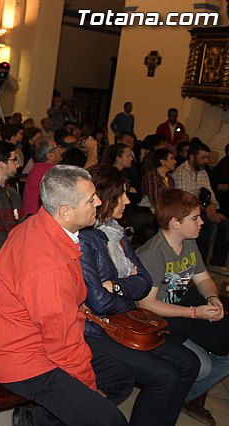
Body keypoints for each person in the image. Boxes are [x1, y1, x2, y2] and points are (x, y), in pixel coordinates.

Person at [0, 165, 132, 425]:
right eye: (90, 200)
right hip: (25, 361)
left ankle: (43, 417)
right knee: (110, 420)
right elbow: (61, 344)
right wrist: (88, 390)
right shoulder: (47, 266)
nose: (98, 202)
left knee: (120, 378)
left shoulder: (41, 224)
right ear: (66, 212)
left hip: (39, 340)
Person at [79, 165, 199, 426]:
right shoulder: (85, 238)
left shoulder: (118, 233)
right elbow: (97, 300)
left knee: (189, 364)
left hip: (123, 319)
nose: (128, 199)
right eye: (121, 194)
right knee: (165, 376)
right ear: (105, 198)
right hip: (96, 329)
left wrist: (118, 286)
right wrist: (126, 286)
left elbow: (143, 283)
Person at [137, 189, 229, 425]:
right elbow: (147, 304)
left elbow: (203, 279)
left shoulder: (188, 243)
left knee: (220, 348)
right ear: (175, 222)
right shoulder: (153, 253)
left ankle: (182, 396)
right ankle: (178, 395)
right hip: (159, 320)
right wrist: (195, 313)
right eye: (195, 218)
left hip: (182, 309)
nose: (202, 222)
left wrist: (212, 298)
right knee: (202, 365)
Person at [174, 142, 229, 275]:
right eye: (203, 158)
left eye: (207, 158)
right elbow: (186, 200)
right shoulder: (181, 172)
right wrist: (206, 212)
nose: (206, 161)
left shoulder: (203, 172)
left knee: (226, 224)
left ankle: (217, 262)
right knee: (209, 226)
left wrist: (214, 206)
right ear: (192, 157)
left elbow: (210, 193)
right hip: (186, 212)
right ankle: (199, 266)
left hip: (204, 210)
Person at [22, 136, 61, 217]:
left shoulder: (36, 169)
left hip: (31, 218)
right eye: (57, 147)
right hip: (40, 220)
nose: (60, 150)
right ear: (50, 155)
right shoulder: (52, 172)